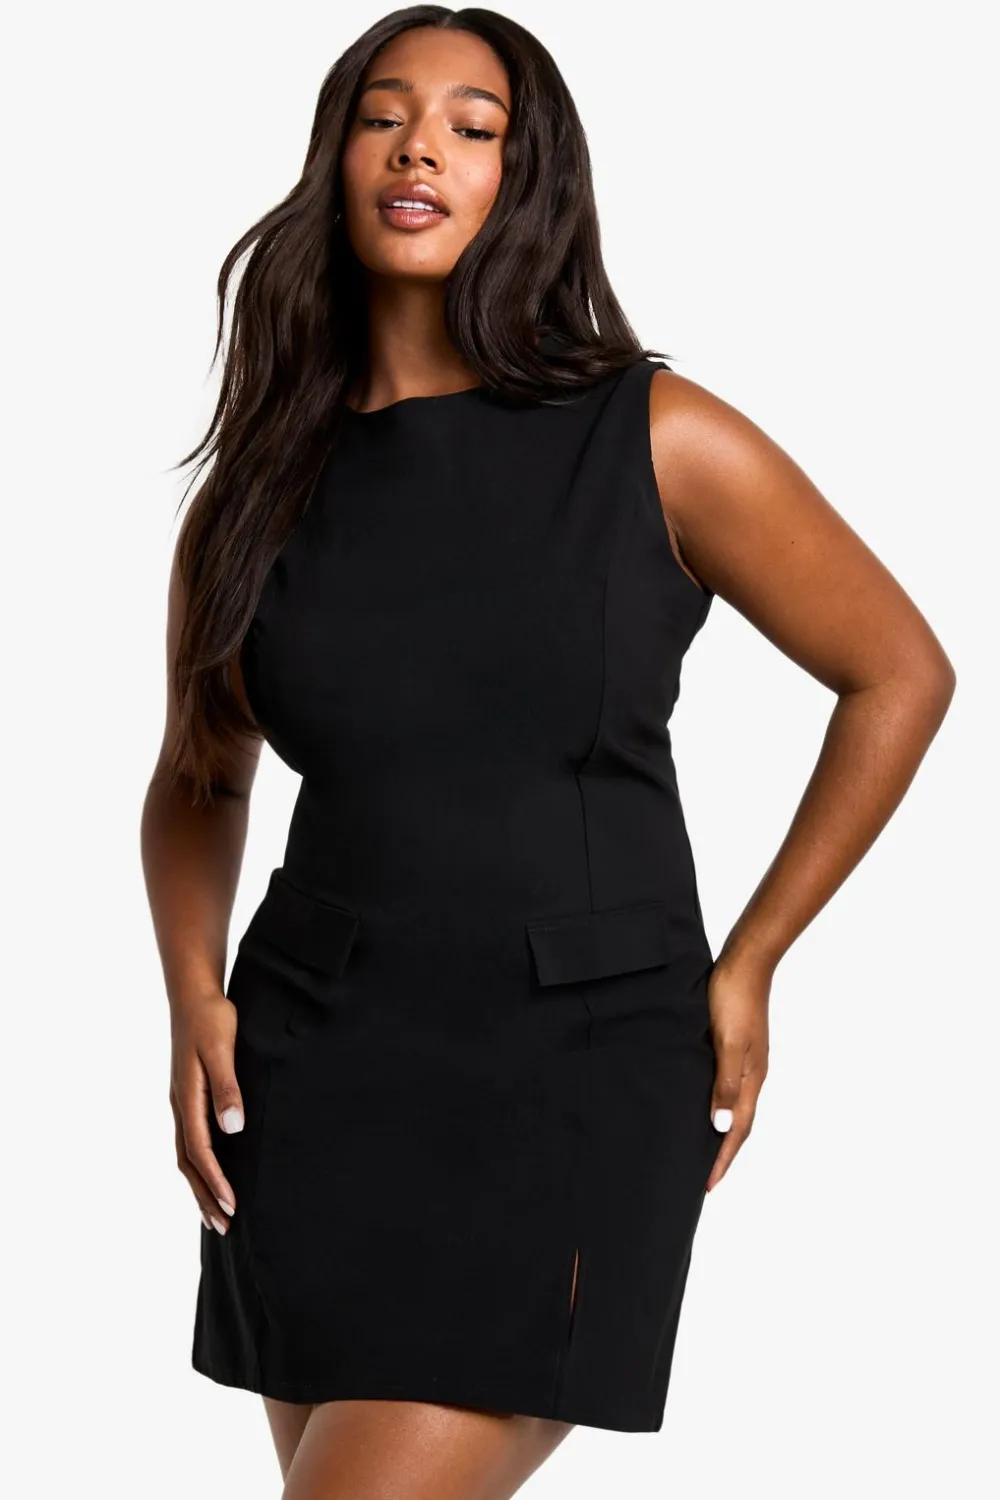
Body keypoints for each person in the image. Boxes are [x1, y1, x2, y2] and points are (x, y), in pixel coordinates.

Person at [140, 8, 955, 1498]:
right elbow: (202, 772)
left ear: (530, 179)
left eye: (473, 127)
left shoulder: (654, 436)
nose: (420, 151)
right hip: (316, 1072)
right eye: (383, 117)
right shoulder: (254, 489)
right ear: (335, 158)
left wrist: (755, 959)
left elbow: (897, 672)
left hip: (571, 1068)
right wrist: (192, 990)